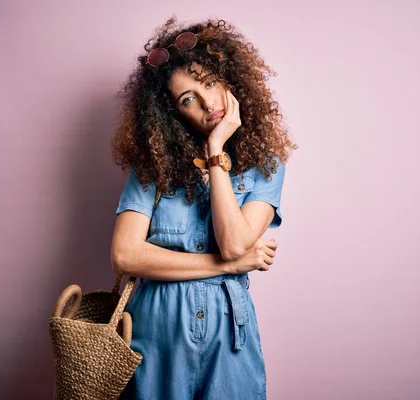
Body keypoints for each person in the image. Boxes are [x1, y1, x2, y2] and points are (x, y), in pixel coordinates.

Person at [110, 17, 297, 400]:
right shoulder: (153, 164)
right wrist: (228, 266)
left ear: (229, 78)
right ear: (172, 113)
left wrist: (216, 152)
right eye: (187, 99)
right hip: (157, 333)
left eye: (210, 83)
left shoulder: (266, 164)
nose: (208, 103)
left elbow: (234, 243)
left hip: (229, 335)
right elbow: (125, 254)